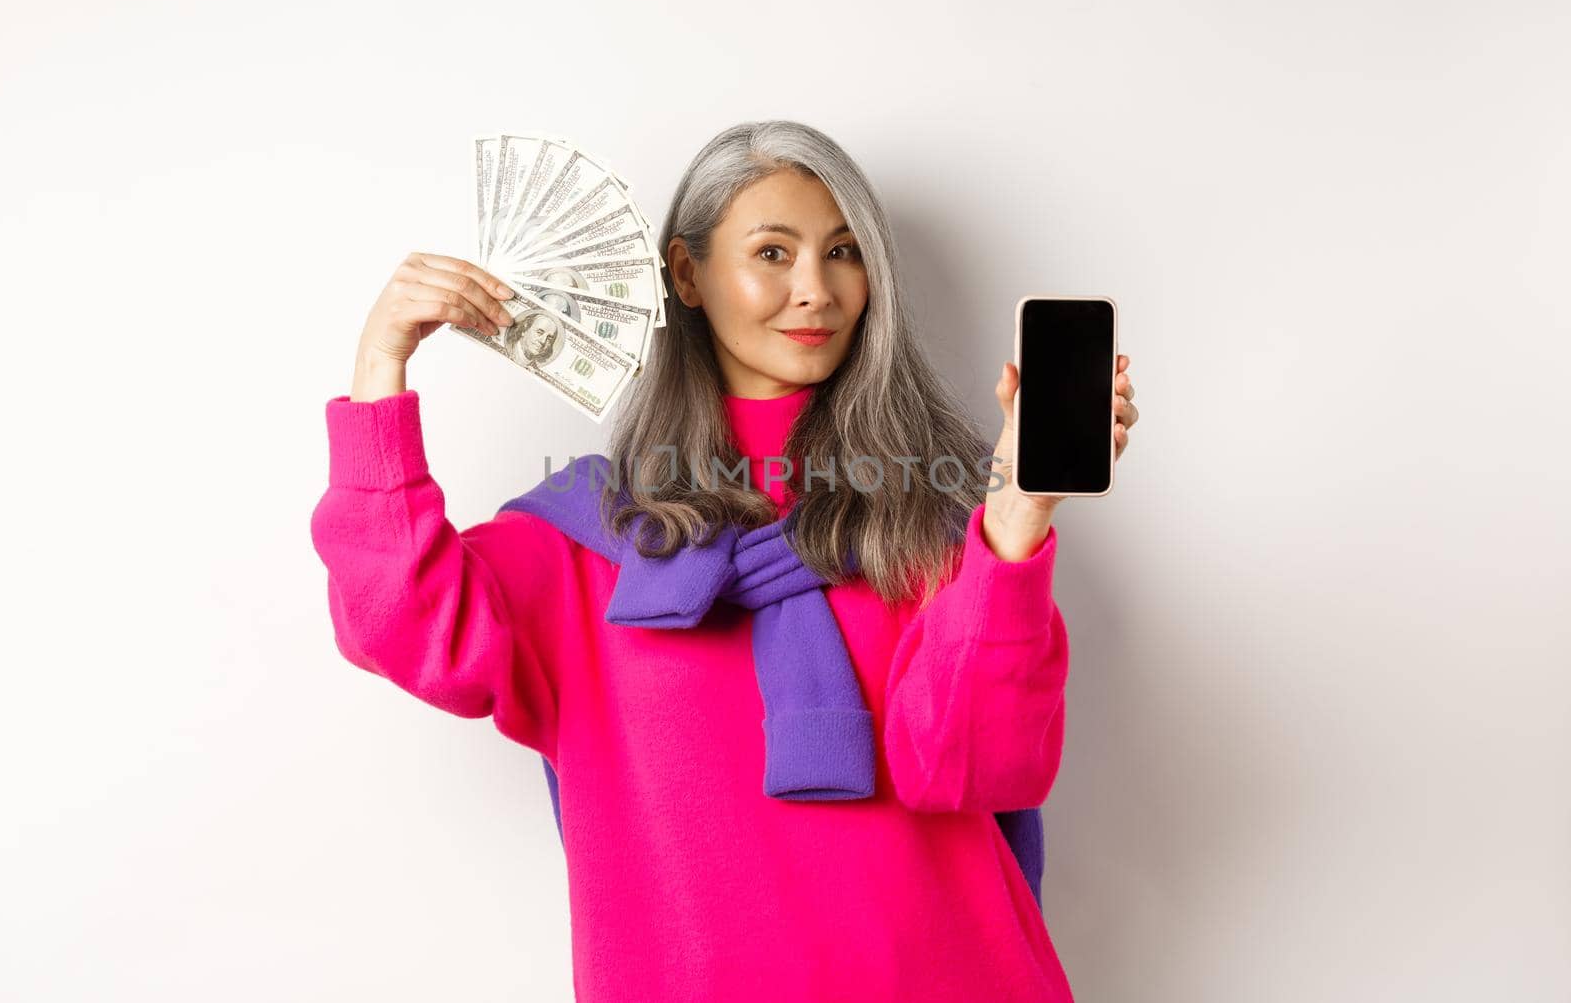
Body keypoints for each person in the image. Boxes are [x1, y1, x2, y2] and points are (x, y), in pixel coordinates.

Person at [310, 119, 1140, 1001]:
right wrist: (380, 366)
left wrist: (1016, 510)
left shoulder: (931, 521)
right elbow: (399, 620)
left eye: (844, 251)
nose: (815, 290)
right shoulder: (586, 539)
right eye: (773, 252)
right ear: (687, 273)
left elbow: (978, 766)